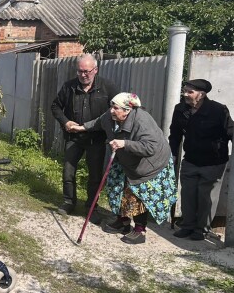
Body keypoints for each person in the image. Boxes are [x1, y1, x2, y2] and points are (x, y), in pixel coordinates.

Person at [71, 93, 177, 244]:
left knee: (137, 194)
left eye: (116, 108)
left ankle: (140, 230)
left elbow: (150, 147)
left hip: (149, 164)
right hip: (126, 158)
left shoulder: (142, 120)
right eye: (111, 107)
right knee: (116, 187)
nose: (112, 111)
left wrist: (125, 143)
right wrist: (81, 127)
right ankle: (123, 222)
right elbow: (99, 122)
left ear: (128, 110)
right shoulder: (110, 116)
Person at [51, 53, 119, 222]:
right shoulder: (69, 87)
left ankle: (91, 207)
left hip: (96, 139)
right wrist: (65, 122)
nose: (83, 75)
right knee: (68, 172)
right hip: (74, 137)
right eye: (80, 71)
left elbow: (119, 108)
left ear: (95, 70)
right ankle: (68, 202)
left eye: (87, 71)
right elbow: (55, 107)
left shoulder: (107, 87)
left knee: (95, 175)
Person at [168, 79, 234, 240]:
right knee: (187, 194)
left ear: (202, 94)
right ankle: (187, 226)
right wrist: (173, 154)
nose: (185, 94)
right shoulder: (180, 109)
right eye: (185, 91)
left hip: (213, 162)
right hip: (190, 159)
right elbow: (175, 134)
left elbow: (231, 131)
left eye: (190, 92)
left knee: (206, 196)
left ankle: (201, 230)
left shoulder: (218, 110)